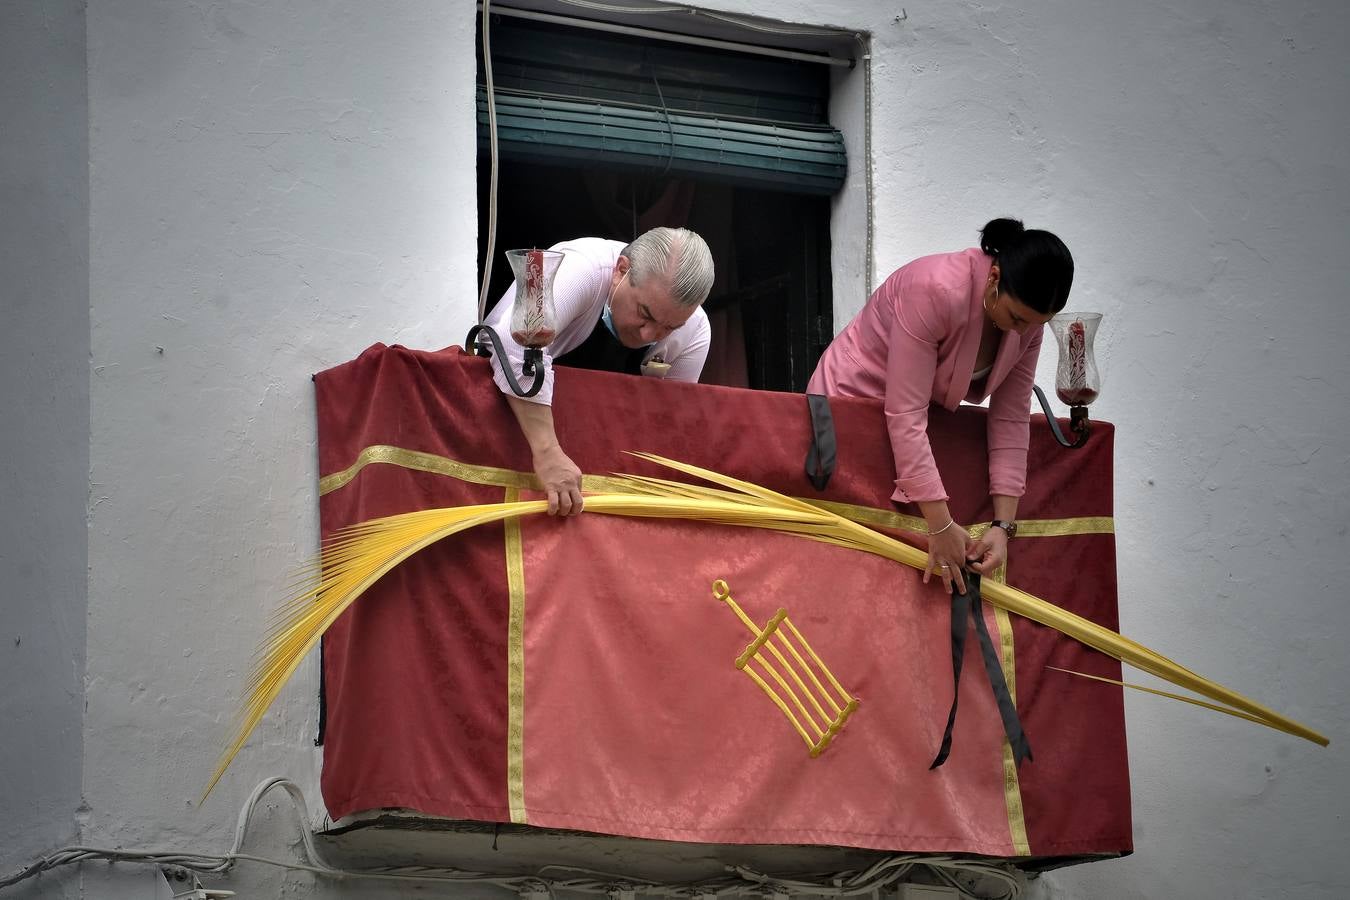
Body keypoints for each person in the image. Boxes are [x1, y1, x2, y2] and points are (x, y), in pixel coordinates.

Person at [807, 218, 1073, 594]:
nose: (1022, 332)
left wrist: (1003, 526)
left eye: (1034, 325)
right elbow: (906, 413)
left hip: (907, 426)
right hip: (847, 405)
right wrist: (941, 524)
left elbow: (1011, 417)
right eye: (1016, 318)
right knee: (852, 558)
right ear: (994, 277)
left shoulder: (1027, 325)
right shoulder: (934, 289)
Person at [484, 227, 715, 517]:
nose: (648, 334)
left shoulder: (695, 331)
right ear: (621, 270)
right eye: (645, 313)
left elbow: (667, 426)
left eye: (669, 328)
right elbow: (511, 344)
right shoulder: (580, 267)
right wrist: (547, 452)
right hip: (510, 452)